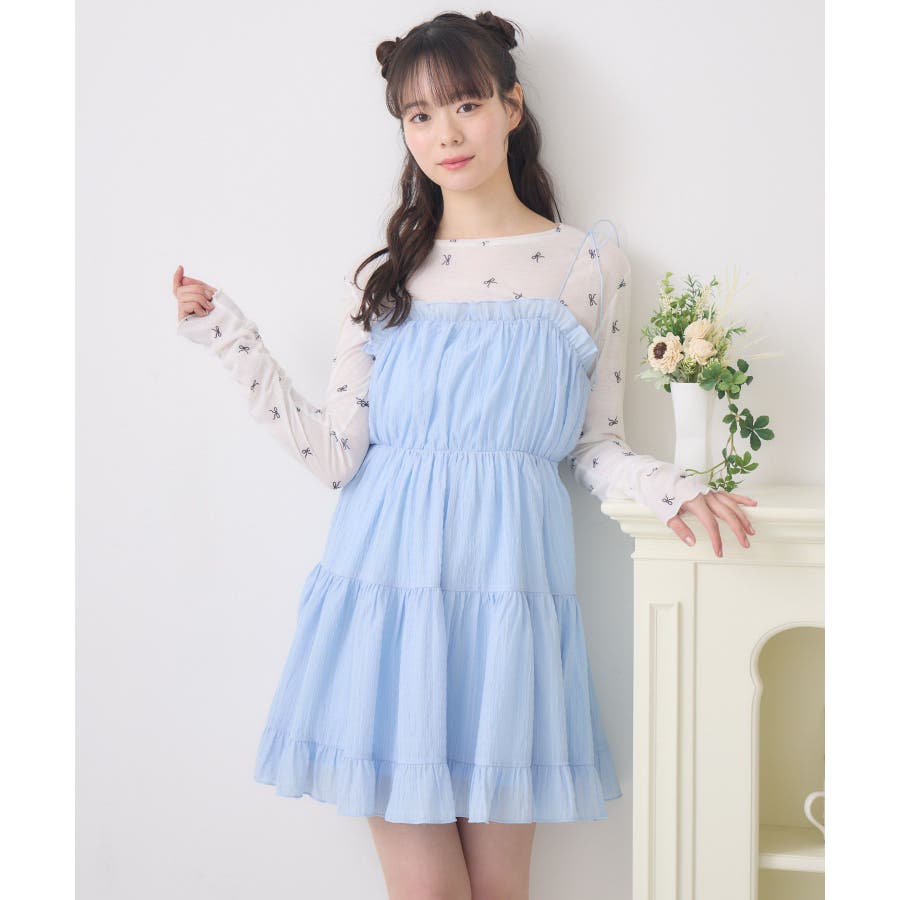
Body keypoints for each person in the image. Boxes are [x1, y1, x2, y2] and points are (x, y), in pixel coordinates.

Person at [172, 10, 757, 899]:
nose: (445, 134)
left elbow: (594, 443)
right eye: (420, 115)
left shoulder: (586, 264)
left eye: (467, 105)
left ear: (511, 107)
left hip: (506, 603)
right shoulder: (383, 277)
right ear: (403, 130)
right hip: (388, 596)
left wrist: (671, 487)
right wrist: (230, 336)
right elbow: (335, 458)